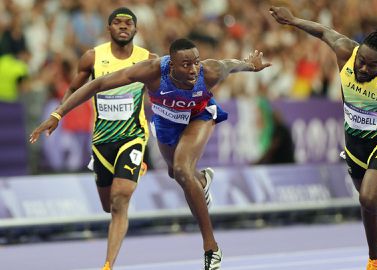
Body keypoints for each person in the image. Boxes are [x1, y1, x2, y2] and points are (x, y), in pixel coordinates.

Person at [30, 37, 271, 270]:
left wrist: (250, 65)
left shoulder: (209, 72)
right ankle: (202, 180)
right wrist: (57, 114)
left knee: (181, 169)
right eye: (186, 64)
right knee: (175, 173)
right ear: (171, 65)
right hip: (166, 121)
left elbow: (231, 65)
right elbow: (98, 84)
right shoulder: (152, 71)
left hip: (199, 116)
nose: (193, 69)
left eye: (196, 62)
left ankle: (211, 248)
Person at [270, 6, 377, 270]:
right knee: (367, 204)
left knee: (368, 198)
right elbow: (322, 31)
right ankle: (375, 256)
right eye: (362, 62)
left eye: (372, 66)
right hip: (354, 143)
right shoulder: (346, 50)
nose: (364, 68)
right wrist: (293, 20)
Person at [30, 7, 157, 270]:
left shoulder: (148, 59)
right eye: (117, 23)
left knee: (121, 198)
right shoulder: (92, 57)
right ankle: (126, 173)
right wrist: (57, 115)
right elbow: (76, 88)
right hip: (101, 140)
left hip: (133, 135)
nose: (123, 26)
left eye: (128, 23)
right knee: (108, 205)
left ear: (135, 29)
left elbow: (168, 85)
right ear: (108, 28)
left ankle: (108, 264)